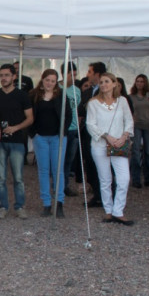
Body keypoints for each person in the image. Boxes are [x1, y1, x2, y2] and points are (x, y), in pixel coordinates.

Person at [86, 71, 135, 225]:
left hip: (119, 144)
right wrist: (106, 136)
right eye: (101, 82)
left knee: (123, 178)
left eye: (107, 81)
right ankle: (109, 210)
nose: (104, 85)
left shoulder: (122, 101)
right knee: (105, 179)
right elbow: (90, 124)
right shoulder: (93, 103)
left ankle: (118, 210)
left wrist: (124, 136)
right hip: (101, 144)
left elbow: (129, 120)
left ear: (115, 84)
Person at [0, 63, 33, 219]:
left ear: (14, 76)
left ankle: (20, 206)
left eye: (6, 75)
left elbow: (30, 118)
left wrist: (15, 128)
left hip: (17, 141)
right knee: (0, 178)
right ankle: (3, 206)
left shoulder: (22, 96)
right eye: (1, 75)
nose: (3, 78)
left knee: (18, 177)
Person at [29, 69, 73, 217]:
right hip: (40, 137)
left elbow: (68, 115)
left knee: (58, 170)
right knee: (43, 170)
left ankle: (59, 202)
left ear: (56, 83)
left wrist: (63, 132)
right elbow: (29, 115)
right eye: (47, 80)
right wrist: (33, 133)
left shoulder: (61, 96)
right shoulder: (34, 95)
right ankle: (46, 203)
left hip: (57, 138)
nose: (49, 83)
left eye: (53, 81)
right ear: (42, 80)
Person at [79, 62, 107, 207]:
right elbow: (81, 109)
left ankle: (106, 196)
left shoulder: (105, 91)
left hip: (101, 134)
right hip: (87, 134)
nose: (87, 75)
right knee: (89, 165)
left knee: (102, 166)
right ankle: (97, 195)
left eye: (89, 72)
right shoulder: (88, 91)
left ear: (97, 74)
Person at [129, 74, 149, 189]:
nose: (139, 83)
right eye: (138, 81)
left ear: (145, 83)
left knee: (148, 152)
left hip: (148, 126)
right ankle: (136, 179)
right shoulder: (131, 97)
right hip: (136, 126)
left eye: (142, 81)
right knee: (136, 152)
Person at [62, 63, 82, 196]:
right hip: (62, 129)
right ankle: (58, 185)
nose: (73, 78)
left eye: (75, 75)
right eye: (71, 75)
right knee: (60, 159)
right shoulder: (58, 89)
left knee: (69, 159)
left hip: (74, 129)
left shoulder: (77, 90)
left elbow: (77, 108)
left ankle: (65, 185)